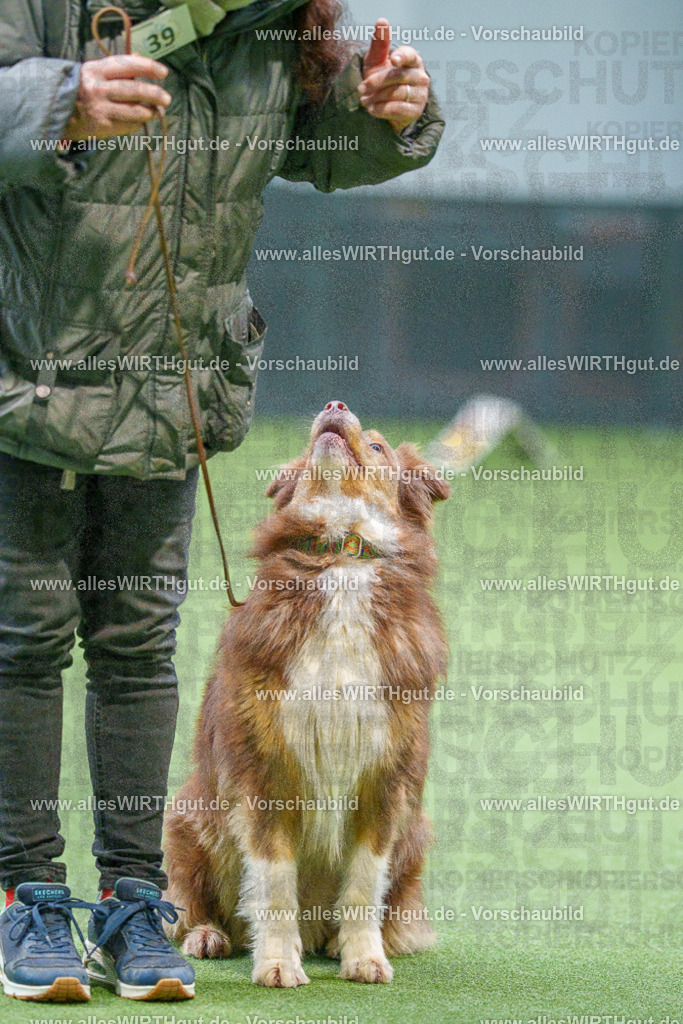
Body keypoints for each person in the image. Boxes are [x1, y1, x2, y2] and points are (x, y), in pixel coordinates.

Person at [0, 0, 444, 1003]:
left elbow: (331, 150)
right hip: (25, 373)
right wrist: (60, 96)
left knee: (137, 645)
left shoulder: (275, 30)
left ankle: (133, 903)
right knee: (25, 640)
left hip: (172, 391)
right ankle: (28, 899)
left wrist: (387, 117)